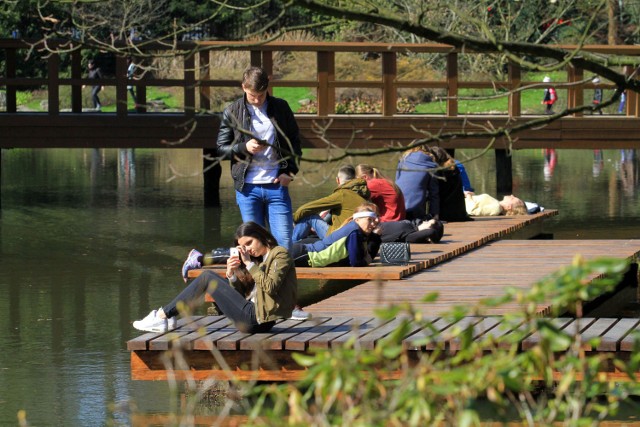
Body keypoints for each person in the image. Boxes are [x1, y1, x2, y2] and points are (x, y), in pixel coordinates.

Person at [133, 222, 299, 334]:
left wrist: (248, 264)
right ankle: (166, 317)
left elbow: (271, 286)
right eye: (243, 246)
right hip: (254, 317)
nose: (248, 249)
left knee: (207, 277)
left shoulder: (279, 254)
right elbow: (241, 297)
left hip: (258, 320)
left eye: (249, 243)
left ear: (261, 235)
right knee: (209, 277)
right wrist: (231, 275)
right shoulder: (260, 260)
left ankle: (162, 316)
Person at [216, 66, 302, 251]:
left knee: (284, 244)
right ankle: (259, 280)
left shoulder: (281, 107)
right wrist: (243, 147)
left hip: (277, 185)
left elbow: (294, 141)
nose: (257, 100)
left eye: (261, 95)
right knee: (253, 247)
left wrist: (290, 171)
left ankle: (282, 279)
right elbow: (220, 149)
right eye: (252, 95)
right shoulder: (232, 111)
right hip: (247, 188)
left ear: (267, 89)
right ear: (243, 87)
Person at [292, 164, 370, 242]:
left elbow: (308, 208)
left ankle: (291, 246)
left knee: (309, 216)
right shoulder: (363, 194)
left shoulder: (342, 194)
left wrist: (293, 218)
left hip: (338, 238)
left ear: (337, 180)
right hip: (356, 237)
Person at [290, 203, 381, 267]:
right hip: (304, 255)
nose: (373, 224)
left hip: (302, 253)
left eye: (373, 221)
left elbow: (357, 257)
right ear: (357, 220)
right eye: (369, 220)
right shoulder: (354, 232)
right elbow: (355, 262)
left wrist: (375, 237)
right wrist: (366, 261)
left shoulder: (355, 230)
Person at [426, 147, 473, 222]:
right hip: (459, 214)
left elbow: (433, 194)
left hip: (443, 215)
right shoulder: (455, 168)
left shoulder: (438, 172)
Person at [395, 145, 440, 221]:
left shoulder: (403, 160)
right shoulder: (432, 165)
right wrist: (435, 214)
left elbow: (397, 181)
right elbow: (434, 192)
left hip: (398, 205)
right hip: (416, 209)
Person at [378, 217, 444, 244]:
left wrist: (431, 238)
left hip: (372, 235)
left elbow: (432, 232)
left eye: (427, 223)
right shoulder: (411, 226)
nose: (424, 221)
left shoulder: (411, 236)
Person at [464, 192, 528, 216]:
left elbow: (472, 211)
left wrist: (468, 195)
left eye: (513, 198)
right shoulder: (496, 203)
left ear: (509, 207)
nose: (512, 195)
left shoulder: (496, 208)